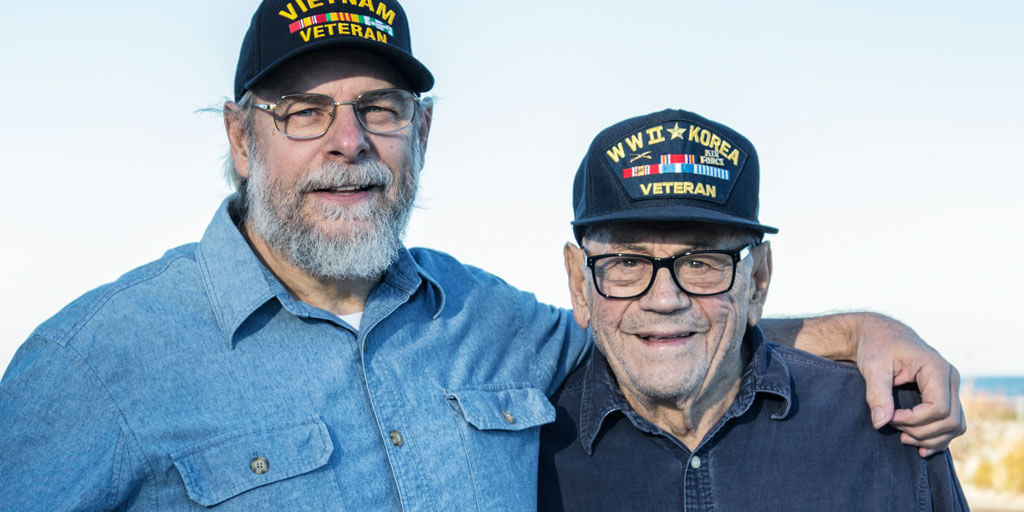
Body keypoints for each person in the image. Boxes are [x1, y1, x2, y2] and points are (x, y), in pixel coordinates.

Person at [0, 1, 960, 510]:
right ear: (243, 138)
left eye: (379, 110)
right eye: (304, 112)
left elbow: (653, 324)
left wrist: (858, 330)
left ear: (421, 135)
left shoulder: (487, 319)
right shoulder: (96, 362)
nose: (348, 142)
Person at [538, 109, 969, 510]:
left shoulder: (888, 426)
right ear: (579, 283)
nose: (665, 299)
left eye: (701, 262)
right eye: (627, 263)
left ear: (757, 281)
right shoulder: (527, 451)